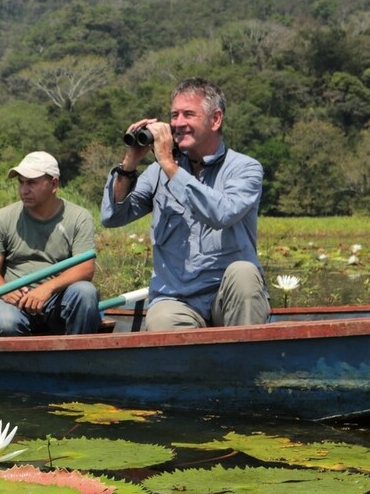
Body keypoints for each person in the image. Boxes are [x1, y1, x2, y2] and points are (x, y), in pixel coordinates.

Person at [101, 77, 269, 331]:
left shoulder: (245, 168)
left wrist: (169, 165)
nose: (177, 123)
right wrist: (129, 164)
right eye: (174, 115)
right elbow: (112, 217)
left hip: (228, 298)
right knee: (161, 321)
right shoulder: (157, 174)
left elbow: (221, 213)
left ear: (215, 119)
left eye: (188, 114)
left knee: (244, 273)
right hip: (176, 300)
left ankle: (243, 365)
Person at [0, 151, 100, 336]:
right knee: (6, 322)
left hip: (57, 297)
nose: (24, 190)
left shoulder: (78, 217)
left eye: (32, 183)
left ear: (53, 184)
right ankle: (21, 363)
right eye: (21, 182)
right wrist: (5, 291)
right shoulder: (4, 217)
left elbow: (85, 269)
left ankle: (80, 357)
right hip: (15, 299)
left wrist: (47, 288)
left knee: (85, 292)